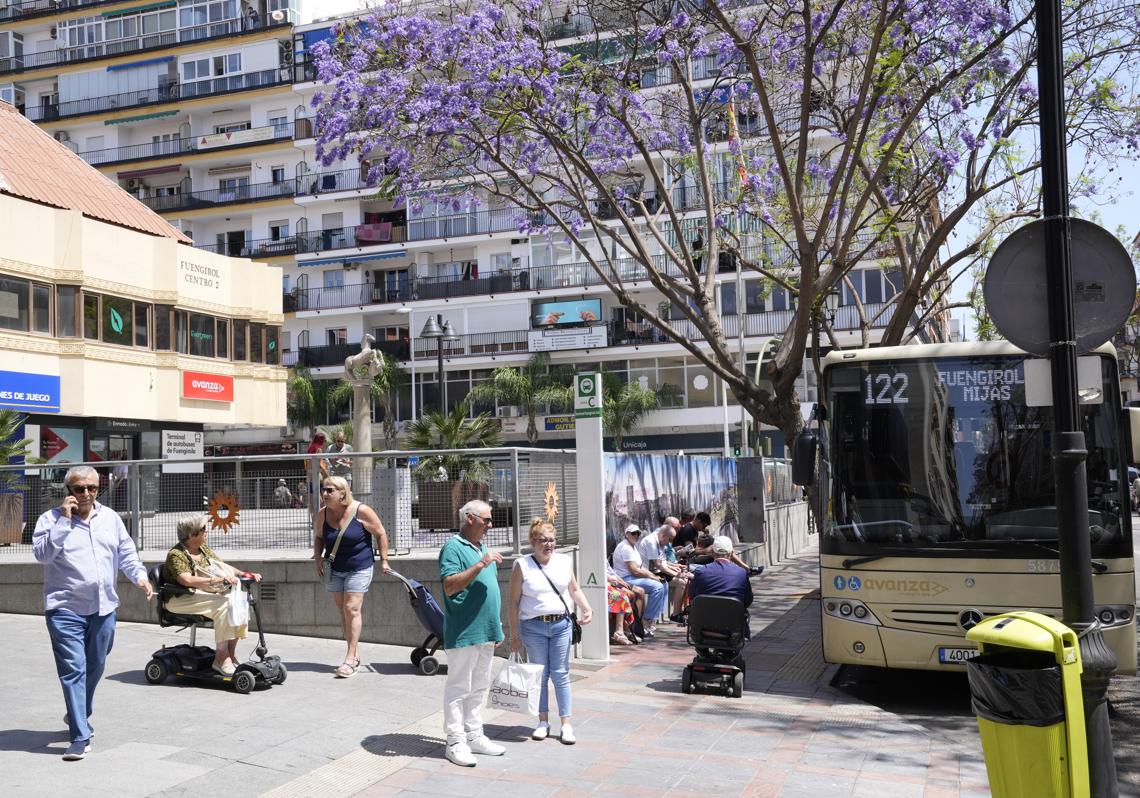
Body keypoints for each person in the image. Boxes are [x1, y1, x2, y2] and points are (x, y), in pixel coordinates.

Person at [32, 465, 154, 761]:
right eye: (79, 489)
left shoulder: (110, 518)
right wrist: (64, 520)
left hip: (103, 607)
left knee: (96, 664)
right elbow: (42, 555)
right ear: (68, 491)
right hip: (64, 609)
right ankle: (79, 736)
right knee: (73, 670)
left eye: (92, 488)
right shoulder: (50, 519)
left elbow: (125, 551)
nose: (86, 494)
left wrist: (139, 576)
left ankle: (80, 711)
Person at [508, 519, 593, 745]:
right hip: (533, 626)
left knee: (561, 673)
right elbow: (512, 602)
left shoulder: (564, 561)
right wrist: (514, 635)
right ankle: (543, 721)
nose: (548, 545)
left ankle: (566, 724)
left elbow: (574, 588)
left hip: (561, 624)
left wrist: (586, 607)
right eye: (543, 541)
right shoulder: (522, 565)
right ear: (533, 542)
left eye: (552, 540)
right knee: (540, 674)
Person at [439, 500, 505, 767]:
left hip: (486, 631)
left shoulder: (482, 547)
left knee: (479, 686)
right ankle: (455, 740)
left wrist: (497, 626)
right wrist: (480, 564)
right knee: (459, 687)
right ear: (469, 518)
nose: (491, 524)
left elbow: (490, 591)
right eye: (487, 519)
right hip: (465, 631)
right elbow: (450, 585)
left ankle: (474, 734)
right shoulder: (453, 547)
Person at [163, 514, 263, 676]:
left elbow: (223, 566)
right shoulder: (176, 554)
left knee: (237, 601)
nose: (206, 531)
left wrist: (243, 573)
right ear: (190, 535)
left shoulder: (203, 549)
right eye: (203, 529)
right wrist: (216, 581)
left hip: (200, 594)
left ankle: (230, 653)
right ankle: (221, 658)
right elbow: (186, 580)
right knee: (223, 604)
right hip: (179, 598)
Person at [313, 476, 390, 677]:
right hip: (335, 569)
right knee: (343, 612)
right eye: (324, 489)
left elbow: (381, 533)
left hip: (359, 567)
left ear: (342, 492)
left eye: (330, 490)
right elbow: (319, 537)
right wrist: (317, 558)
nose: (325, 494)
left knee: (351, 609)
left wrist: (384, 560)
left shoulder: (361, 511)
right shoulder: (323, 514)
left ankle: (349, 658)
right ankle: (354, 654)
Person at [689, 536, 754, 639]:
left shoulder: (700, 572)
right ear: (732, 553)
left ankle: (703, 651)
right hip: (733, 628)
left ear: (713, 553)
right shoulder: (741, 573)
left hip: (703, 628)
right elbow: (748, 600)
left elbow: (692, 596)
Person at [610, 523, 667, 637]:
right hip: (626, 579)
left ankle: (650, 620)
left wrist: (653, 575)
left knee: (664, 584)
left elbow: (640, 568)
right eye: (633, 533)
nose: (636, 536)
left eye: (638, 534)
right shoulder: (625, 547)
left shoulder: (633, 546)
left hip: (634, 577)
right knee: (657, 587)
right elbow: (634, 570)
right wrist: (652, 577)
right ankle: (645, 621)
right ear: (627, 534)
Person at [638, 521, 692, 621]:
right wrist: (677, 574)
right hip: (648, 573)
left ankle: (661, 616)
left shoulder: (660, 541)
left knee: (680, 581)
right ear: (663, 535)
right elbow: (659, 565)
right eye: (670, 540)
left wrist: (675, 566)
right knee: (678, 582)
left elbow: (663, 562)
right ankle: (651, 618)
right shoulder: (652, 542)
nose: (670, 543)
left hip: (655, 572)